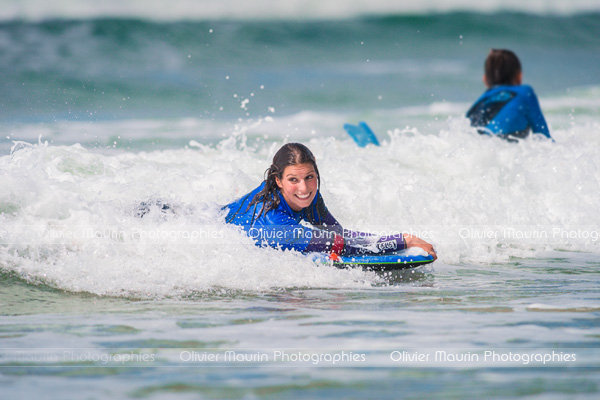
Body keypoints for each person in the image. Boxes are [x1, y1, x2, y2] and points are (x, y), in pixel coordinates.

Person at [223, 143, 437, 260]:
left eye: (309, 177)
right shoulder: (277, 224)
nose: (304, 188)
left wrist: (395, 239)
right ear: (277, 181)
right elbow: (342, 246)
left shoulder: (308, 196)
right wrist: (403, 241)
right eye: (293, 180)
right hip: (216, 227)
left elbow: (338, 235)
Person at [466, 49, 552, 142]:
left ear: (485, 80)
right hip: (502, 150)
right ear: (519, 76)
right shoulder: (524, 92)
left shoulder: (474, 108)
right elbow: (545, 139)